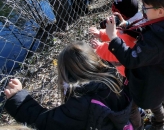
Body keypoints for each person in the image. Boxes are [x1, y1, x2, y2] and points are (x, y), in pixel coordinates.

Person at [105, 0, 164, 130]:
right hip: (159, 80)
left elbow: (130, 59)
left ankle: (139, 128)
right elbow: (149, 28)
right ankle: (159, 125)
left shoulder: (155, 43)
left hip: (147, 84)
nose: (143, 10)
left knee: (131, 106)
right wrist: (129, 26)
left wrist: (113, 37)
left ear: (160, 11)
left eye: (146, 7)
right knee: (156, 103)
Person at [4, 41, 133, 130]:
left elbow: (47, 123)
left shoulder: (80, 105)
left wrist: (19, 100)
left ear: (65, 75)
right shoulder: (111, 79)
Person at [89, 0, 139, 77]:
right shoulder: (129, 24)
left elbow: (115, 53)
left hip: (131, 73)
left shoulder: (130, 34)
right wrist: (101, 34)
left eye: (115, 13)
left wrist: (99, 47)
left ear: (122, 16)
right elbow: (117, 34)